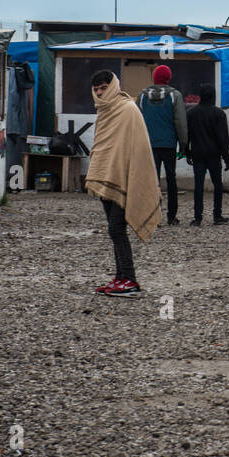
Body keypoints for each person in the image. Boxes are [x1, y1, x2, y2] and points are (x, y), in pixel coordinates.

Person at [84, 70, 161, 296]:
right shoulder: (104, 112)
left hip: (125, 178)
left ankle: (130, 280)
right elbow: (103, 146)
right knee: (113, 230)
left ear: (114, 86)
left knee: (117, 228)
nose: (99, 92)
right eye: (96, 89)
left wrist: (129, 174)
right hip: (107, 176)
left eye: (104, 87)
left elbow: (137, 148)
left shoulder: (128, 109)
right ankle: (121, 277)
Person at [138, 64, 188, 226]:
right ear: (168, 78)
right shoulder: (175, 96)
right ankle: (172, 216)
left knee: (152, 181)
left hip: (149, 145)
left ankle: (153, 216)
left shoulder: (143, 96)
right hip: (169, 145)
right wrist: (183, 143)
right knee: (171, 179)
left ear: (154, 77)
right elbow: (180, 122)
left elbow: (137, 121)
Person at [186, 82, 229, 226]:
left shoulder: (191, 113)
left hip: (197, 154)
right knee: (217, 184)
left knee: (198, 186)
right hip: (214, 155)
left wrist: (187, 152)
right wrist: (226, 157)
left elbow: (187, 135)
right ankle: (217, 215)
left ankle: (197, 217)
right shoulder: (218, 114)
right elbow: (223, 138)